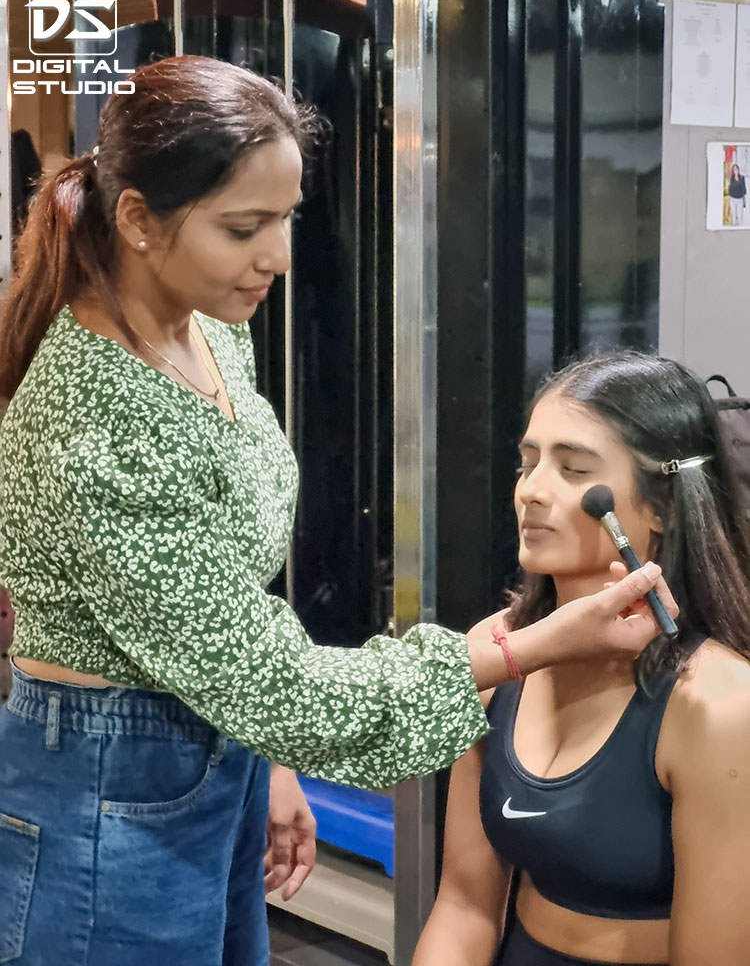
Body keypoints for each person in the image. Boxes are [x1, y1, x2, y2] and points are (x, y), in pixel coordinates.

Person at [0, 57, 673, 966]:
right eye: (245, 227)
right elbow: (271, 683)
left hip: (207, 750)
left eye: (286, 218)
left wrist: (261, 757)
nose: (277, 256)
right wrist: (528, 646)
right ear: (136, 220)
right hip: (107, 787)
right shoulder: (98, 425)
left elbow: (221, 604)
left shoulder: (206, 327)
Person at [413, 350, 750, 966]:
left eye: (572, 470)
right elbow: (463, 907)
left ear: (661, 508)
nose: (531, 492)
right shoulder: (499, 653)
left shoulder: (718, 704)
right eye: (527, 463)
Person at [728, 162, 746, 227]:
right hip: (732, 199)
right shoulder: (731, 178)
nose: (735, 170)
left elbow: (744, 189)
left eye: (736, 169)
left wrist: (744, 199)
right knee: (734, 214)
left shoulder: (742, 178)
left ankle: (740, 227)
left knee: (739, 214)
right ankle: (734, 227)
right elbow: (729, 188)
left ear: (738, 169)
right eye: (734, 169)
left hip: (740, 199)